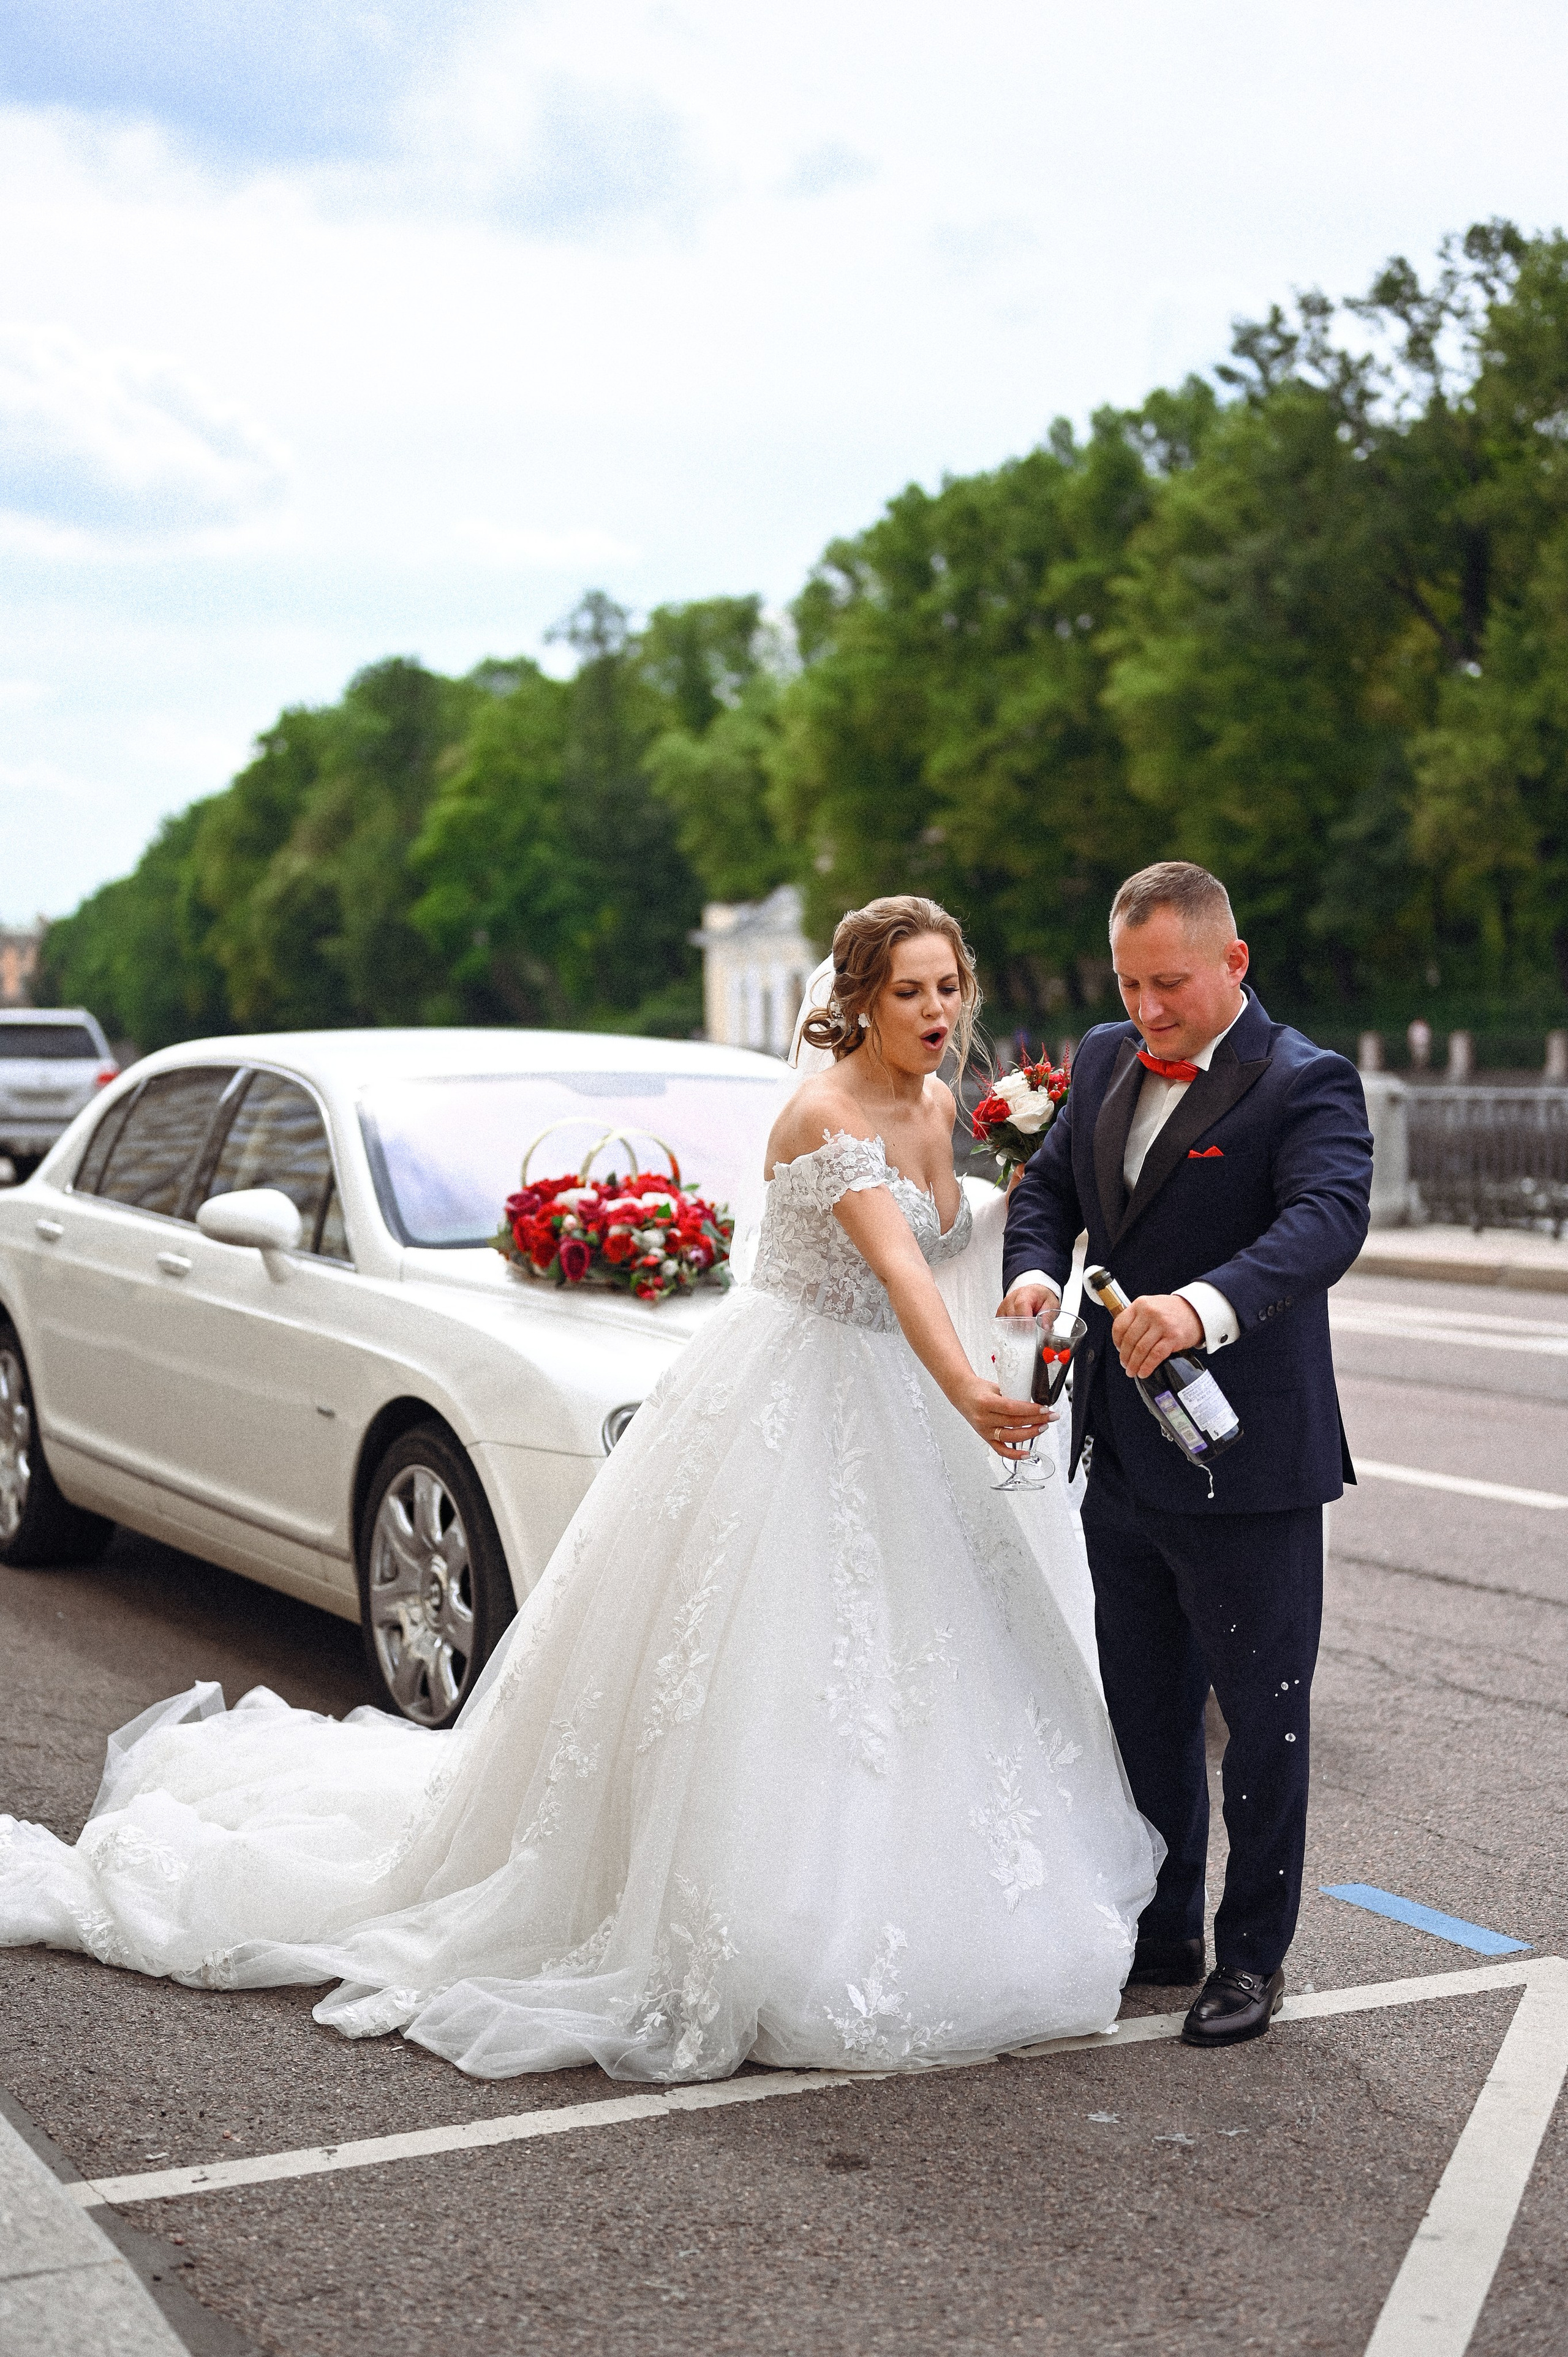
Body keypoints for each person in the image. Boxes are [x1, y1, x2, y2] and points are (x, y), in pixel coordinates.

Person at [0, 896, 1160, 2083]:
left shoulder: (928, 1106)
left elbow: (945, 1234)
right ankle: (760, 1915)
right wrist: (969, 1389)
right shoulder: (819, 1117)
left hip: (889, 1407)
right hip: (799, 1393)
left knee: (924, 1657)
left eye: (946, 988)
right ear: (854, 999)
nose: (932, 1011)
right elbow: (900, 1268)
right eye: (906, 990)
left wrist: (1018, 1219)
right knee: (772, 1665)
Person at [1001, 862, 1373, 2047]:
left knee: (1263, 1722)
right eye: (1129, 983)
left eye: (1170, 984)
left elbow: (1324, 1221)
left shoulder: (1308, 1081)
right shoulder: (1107, 1055)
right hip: (1121, 1455)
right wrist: (1031, 1268)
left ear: (1235, 963)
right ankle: (1165, 1934)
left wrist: (1204, 1305)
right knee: (1145, 1709)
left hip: (1251, 1463)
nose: (1147, 1008)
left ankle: (1252, 1959)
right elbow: (1051, 1186)